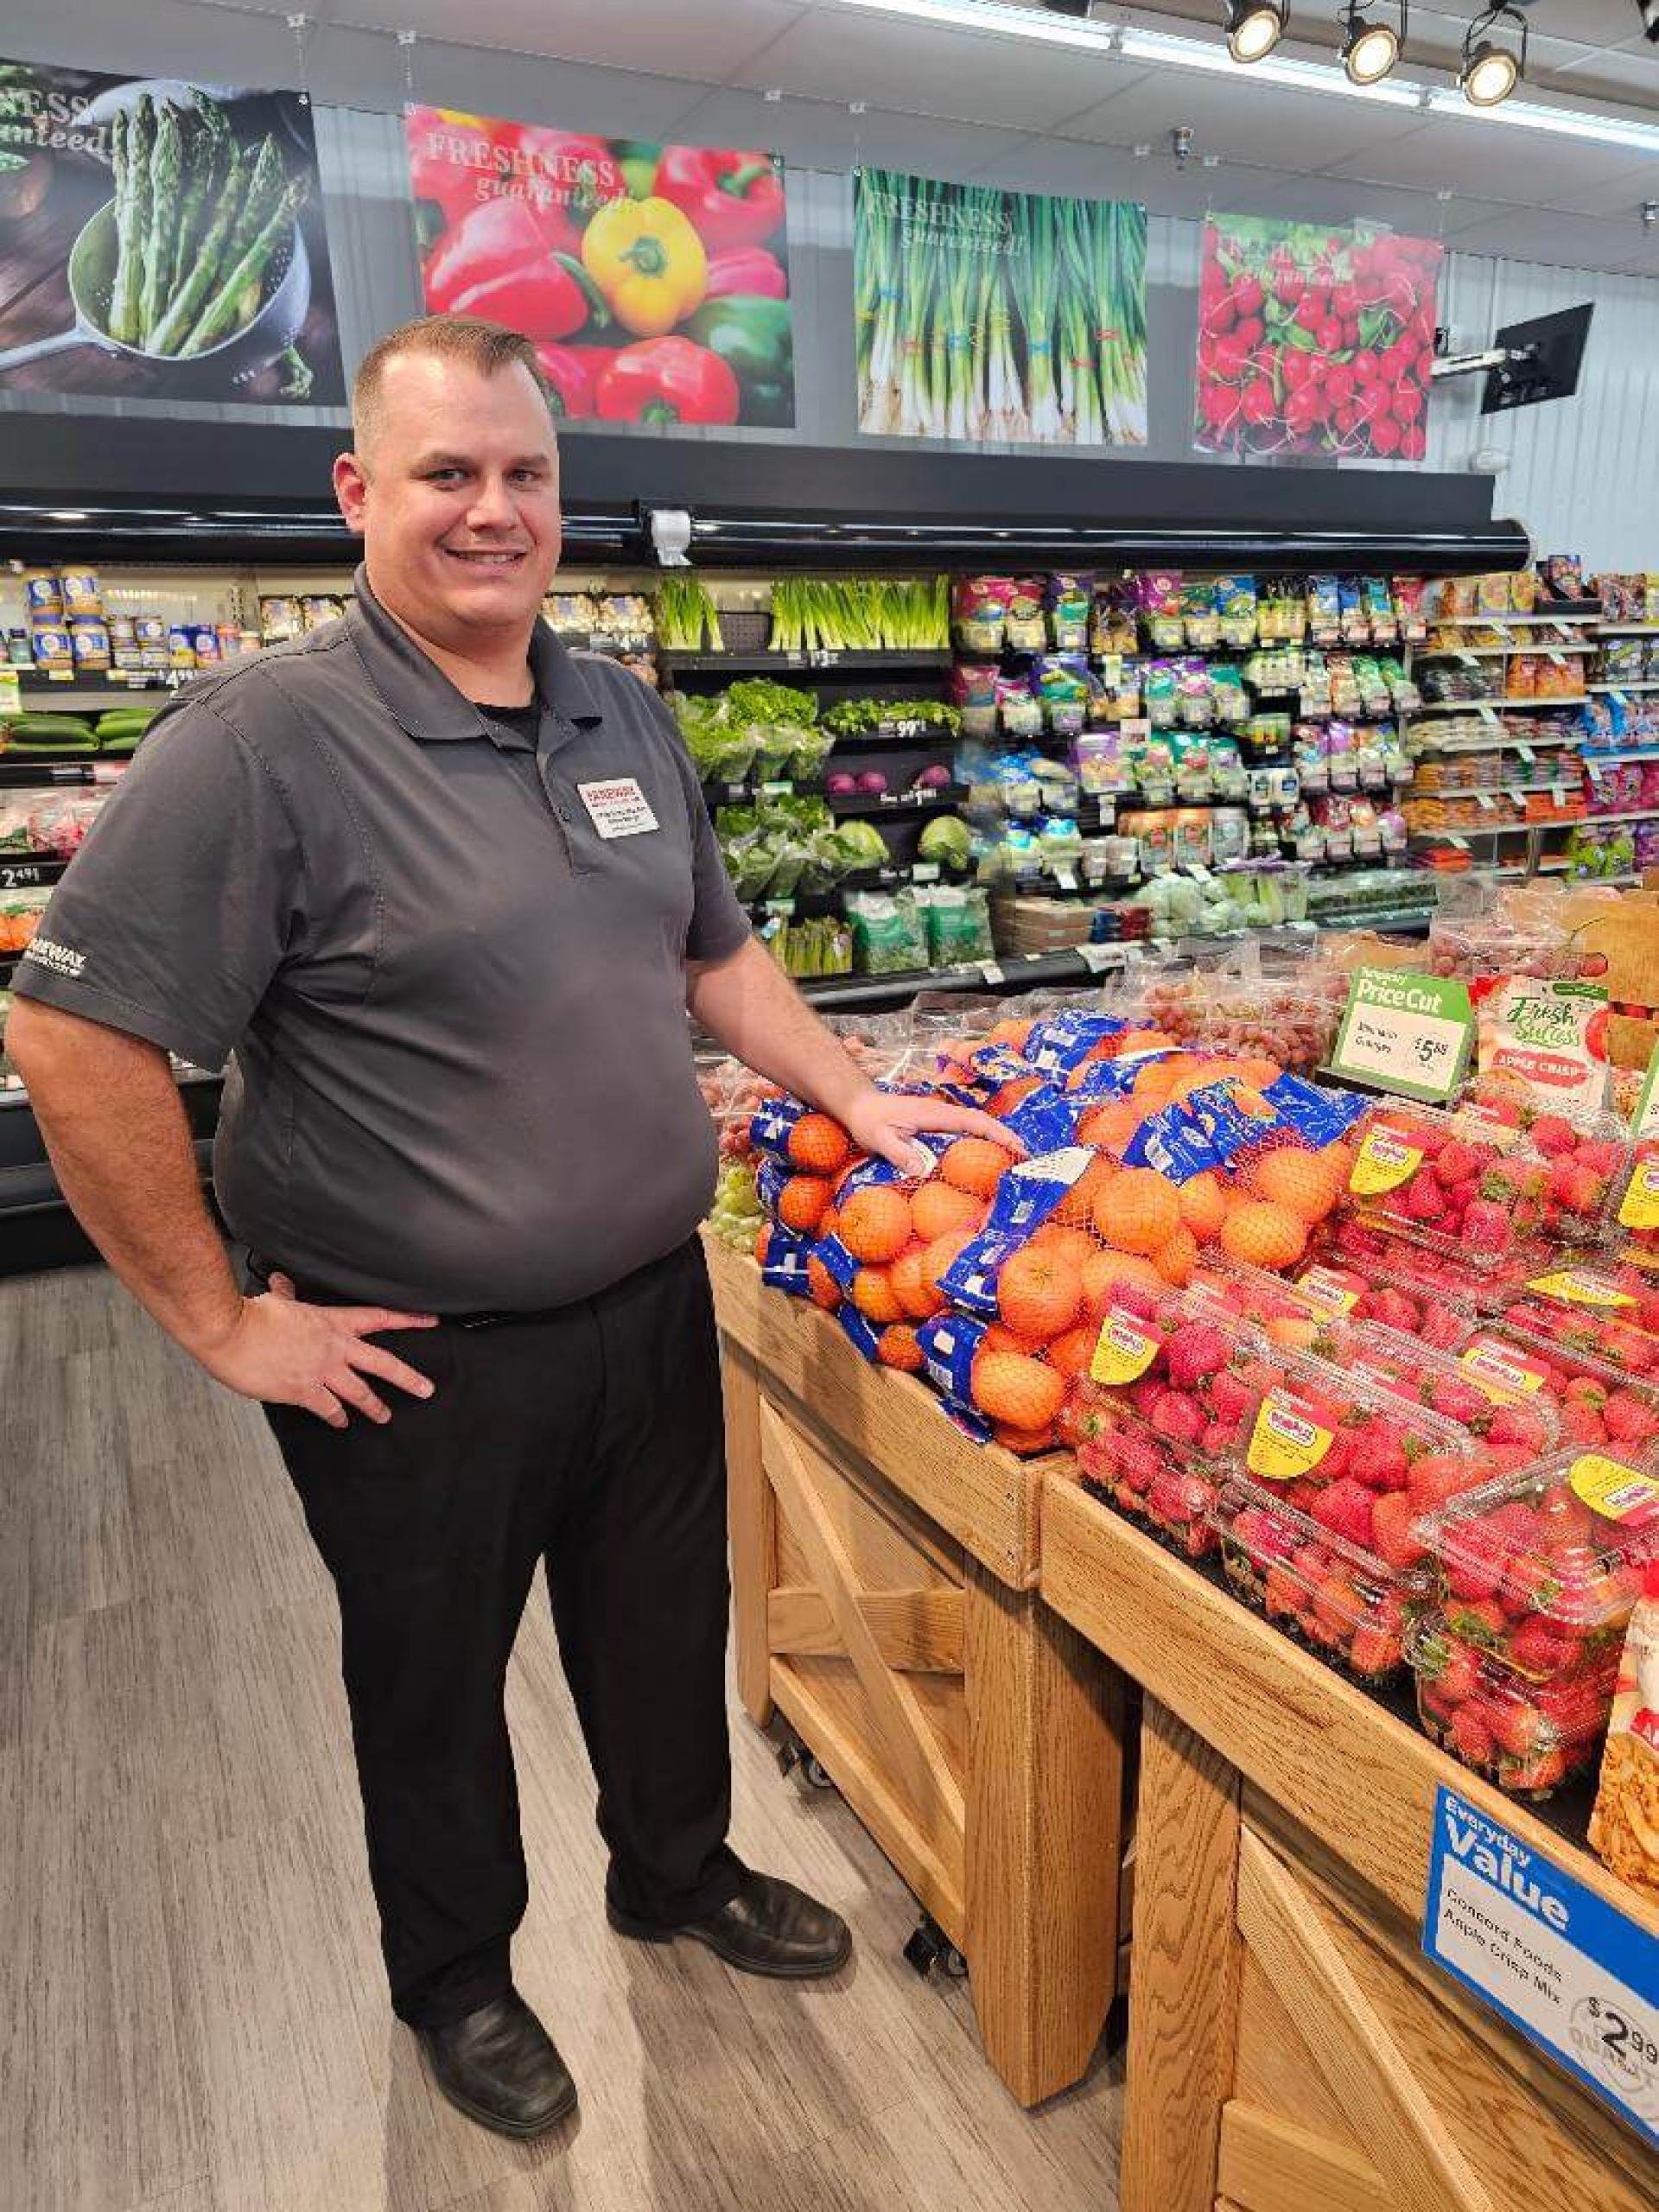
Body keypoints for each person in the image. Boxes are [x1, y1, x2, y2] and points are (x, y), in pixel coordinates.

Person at [7, 315, 1018, 2143]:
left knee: (654, 1628)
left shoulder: (611, 701)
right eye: (446, 473)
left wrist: (853, 1096)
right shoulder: (263, 743)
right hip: (415, 1356)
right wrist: (223, 1324)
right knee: (433, 1681)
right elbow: (71, 1027)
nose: (493, 510)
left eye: (525, 473)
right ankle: (457, 1974)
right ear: (357, 493)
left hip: (649, 1297)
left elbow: (709, 946)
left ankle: (676, 1867)